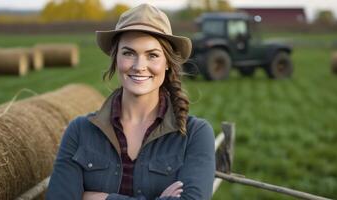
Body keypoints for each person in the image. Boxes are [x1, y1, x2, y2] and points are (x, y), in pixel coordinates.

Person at [46, 3, 216, 200]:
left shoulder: (195, 134)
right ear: (115, 58)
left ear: (167, 62)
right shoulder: (79, 131)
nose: (139, 66)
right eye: (128, 53)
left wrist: (101, 198)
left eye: (152, 55)